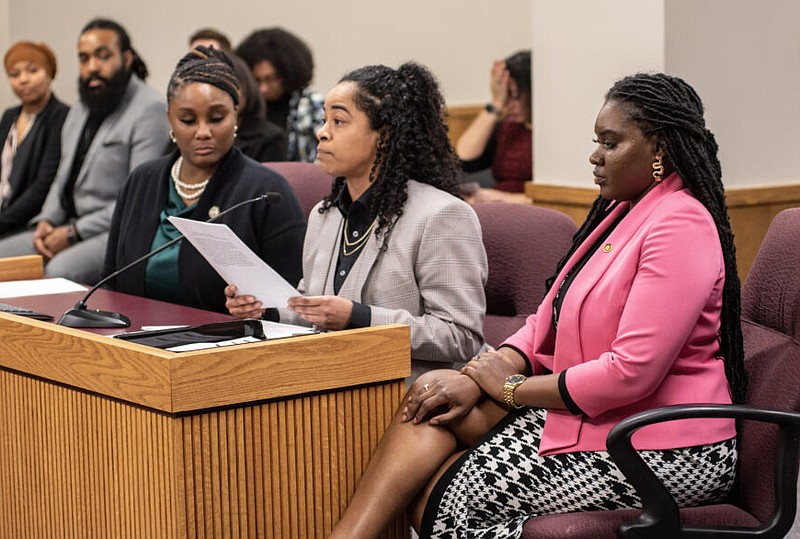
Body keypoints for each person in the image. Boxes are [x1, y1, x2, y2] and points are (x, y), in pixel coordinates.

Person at [327, 72, 748, 538]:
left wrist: (508, 389)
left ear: (659, 151)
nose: (595, 155)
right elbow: (546, 317)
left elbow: (632, 372)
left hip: (661, 445)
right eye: (597, 141)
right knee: (433, 400)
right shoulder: (620, 211)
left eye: (610, 143)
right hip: (593, 418)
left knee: (442, 502)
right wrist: (478, 377)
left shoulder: (681, 223)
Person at [225, 62, 488, 381]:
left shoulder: (441, 216)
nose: (321, 132)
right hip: (337, 383)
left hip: (413, 394)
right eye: (324, 120)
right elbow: (314, 312)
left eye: (338, 121)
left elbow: (459, 337)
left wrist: (359, 317)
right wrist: (264, 308)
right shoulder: (326, 215)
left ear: (384, 135)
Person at [103, 46, 305, 314]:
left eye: (217, 118)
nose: (203, 132)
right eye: (187, 120)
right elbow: (111, 285)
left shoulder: (266, 191)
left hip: (224, 346)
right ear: (170, 121)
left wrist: (257, 310)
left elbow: (295, 304)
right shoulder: (141, 181)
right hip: (137, 342)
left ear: (236, 115)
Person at [0, 18, 169, 284]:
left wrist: (73, 232)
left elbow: (137, 199)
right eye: (84, 58)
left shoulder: (150, 109)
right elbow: (61, 178)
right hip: (65, 226)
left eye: (103, 56)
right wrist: (46, 220)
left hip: (114, 231)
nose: (92, 67)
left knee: (57, 272)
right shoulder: (81, 109)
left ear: (126, 58)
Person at [0, 41, 69, 238]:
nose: (23, 80)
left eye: (33, 70)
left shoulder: (61, 116)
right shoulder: (9, 116)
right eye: (14, 74)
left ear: (49, 74)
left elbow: (42, 187)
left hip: (29, 223)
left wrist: (2, 222)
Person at [235, 27, 324, 162]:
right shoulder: (244, 107)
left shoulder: (311, 105)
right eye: (256, 80)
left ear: (287, 74)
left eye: (270, 79)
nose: (263, 88)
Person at [458, 50, 532, 205]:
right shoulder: (508, 128)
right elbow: (464, 158)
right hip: (495, 207)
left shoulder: (546, 135)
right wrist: (497, 102)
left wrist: (502, 198)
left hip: (528, 209)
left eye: (514, 94)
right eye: (506, 94)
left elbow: (551, 196)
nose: (508, 103)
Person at [223, 50, 287, 163]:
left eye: (233, 86)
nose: (227, 95)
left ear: (246, 87)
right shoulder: (199, 136)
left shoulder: (270, 138)